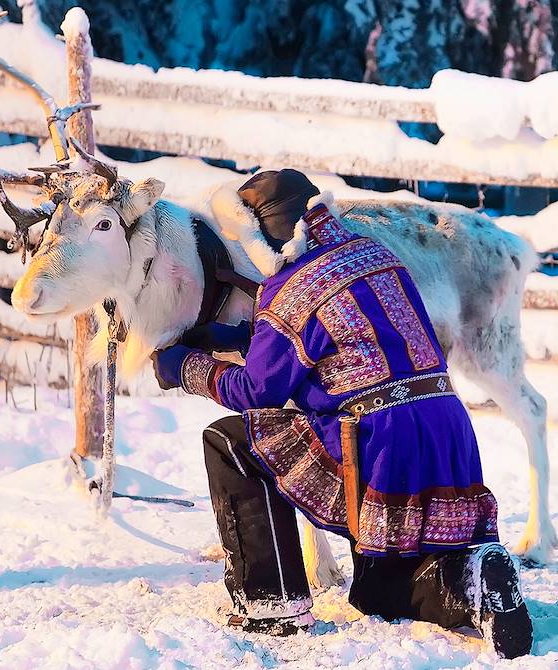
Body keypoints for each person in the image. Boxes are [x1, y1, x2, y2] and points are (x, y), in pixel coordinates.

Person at [151, 169, 533, 659]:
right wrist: (228, 339)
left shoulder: (291, 288)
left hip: (376, 439)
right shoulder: (377, 257)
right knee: (375, 592)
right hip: (444, 426)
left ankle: (272, 602)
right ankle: (469, 582)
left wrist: (185, 366)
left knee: (231, 442)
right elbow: (341, 339)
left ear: (262, 236)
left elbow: (257, 390)